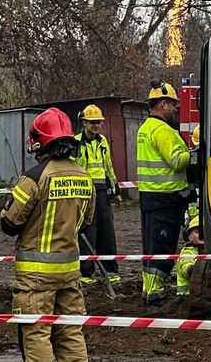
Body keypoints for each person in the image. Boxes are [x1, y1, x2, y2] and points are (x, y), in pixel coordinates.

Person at [1, 107, 95, 362]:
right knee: (70, 334)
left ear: (41, 143)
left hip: (35, 280)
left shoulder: (34, 178)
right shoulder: (85, 177)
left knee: (36, 335)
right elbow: (86, 223)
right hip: (69, 274)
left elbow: (9, 224)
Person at [137, 80, 190, 306]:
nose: (176, 109)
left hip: (150, 197)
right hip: (167, 198)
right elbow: (177, 161)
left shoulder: (145, 128)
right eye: (173, 104)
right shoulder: (162, 130)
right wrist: (196, 155)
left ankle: (150, 291)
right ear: (163, 104)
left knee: (151, 246)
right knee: (163, 247)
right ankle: (156, 294)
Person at [74, 103, 121, 290]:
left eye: (98, 122)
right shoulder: (76, 143)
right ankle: (87, 273)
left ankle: (110, 271)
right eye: (92, 122)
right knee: (87, 232)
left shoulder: (102, 143)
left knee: (107, 232)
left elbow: (108, 167)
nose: (96, 125)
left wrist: (115, 191)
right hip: (84, 193)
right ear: (84, 122)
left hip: (101, 192)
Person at [175, 215, 203, 297]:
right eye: (198, 231)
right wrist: (194, 269)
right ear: (190, 237)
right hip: (187, 298)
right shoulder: (187, 252)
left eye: (205, 231)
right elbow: (185, 269)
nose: (203, 235)